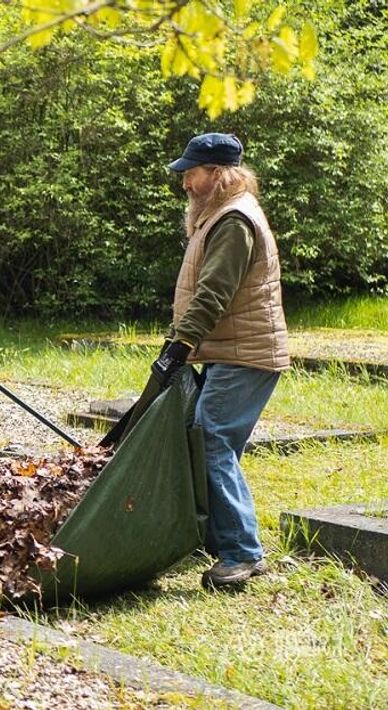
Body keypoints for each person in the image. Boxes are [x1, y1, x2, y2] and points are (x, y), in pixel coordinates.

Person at [152, 132, 290, 590]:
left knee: (212, 439)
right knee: (207, 439)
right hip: (229, 351)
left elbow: (213, 293)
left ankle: (242, 553)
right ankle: (220, 539)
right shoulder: (218, 216)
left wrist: (180, 344)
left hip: (246, 355)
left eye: (191, 173)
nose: (185, 183)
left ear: (216, 174)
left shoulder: (234, 220)